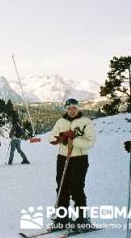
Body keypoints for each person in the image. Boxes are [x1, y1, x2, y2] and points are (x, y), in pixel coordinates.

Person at [49, 98, 96, 231]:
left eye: (74, 108)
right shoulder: (61, 121)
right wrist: (61, 138)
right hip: (63, 158)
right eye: (69, 108)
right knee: (62, 187)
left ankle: (82, 219)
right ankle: (62, 219)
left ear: (78, 108)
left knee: (76, 187)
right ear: (66, 109)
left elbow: (90, 142)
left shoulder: (86, 122)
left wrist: (73, 140)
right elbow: (51, 137)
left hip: (79, 158)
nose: (72, 111)